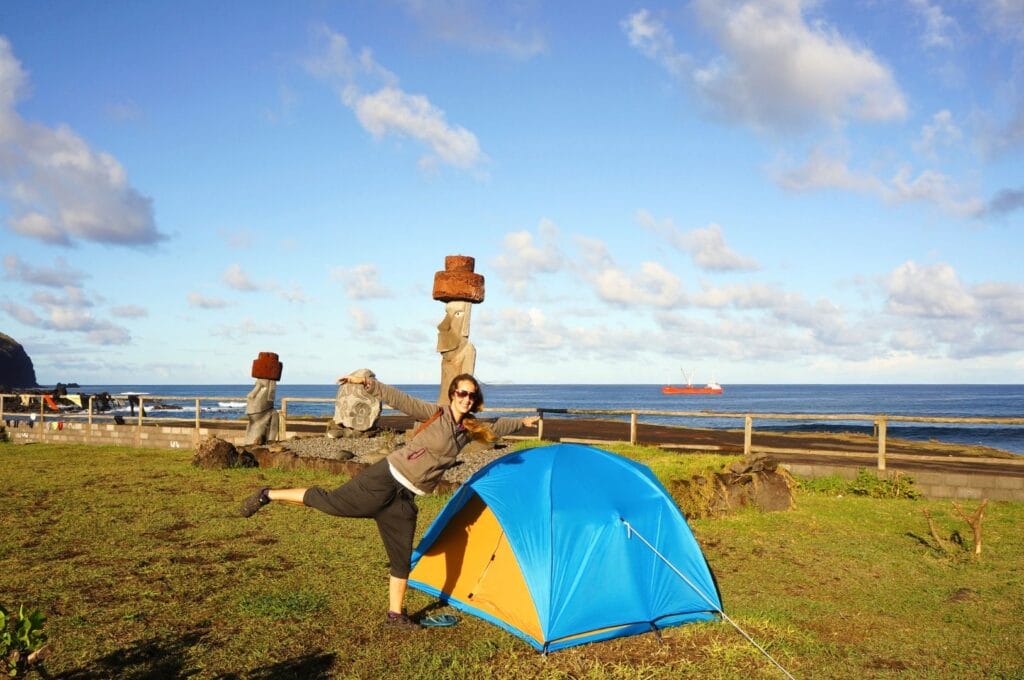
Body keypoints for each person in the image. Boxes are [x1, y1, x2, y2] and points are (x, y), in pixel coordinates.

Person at [239, 371, 539, 628]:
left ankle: (395, 616)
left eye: (472, 396)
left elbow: (497, 426)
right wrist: (367, 382)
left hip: (406, 497)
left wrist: (523, 422)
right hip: (385, 478)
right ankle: (268, 494)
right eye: (462, 393)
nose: (467, 399)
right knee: (330, 503)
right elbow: (400, 400)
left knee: (401, 559)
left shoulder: (469, 429)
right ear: (452, 395)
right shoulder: (435, 414)